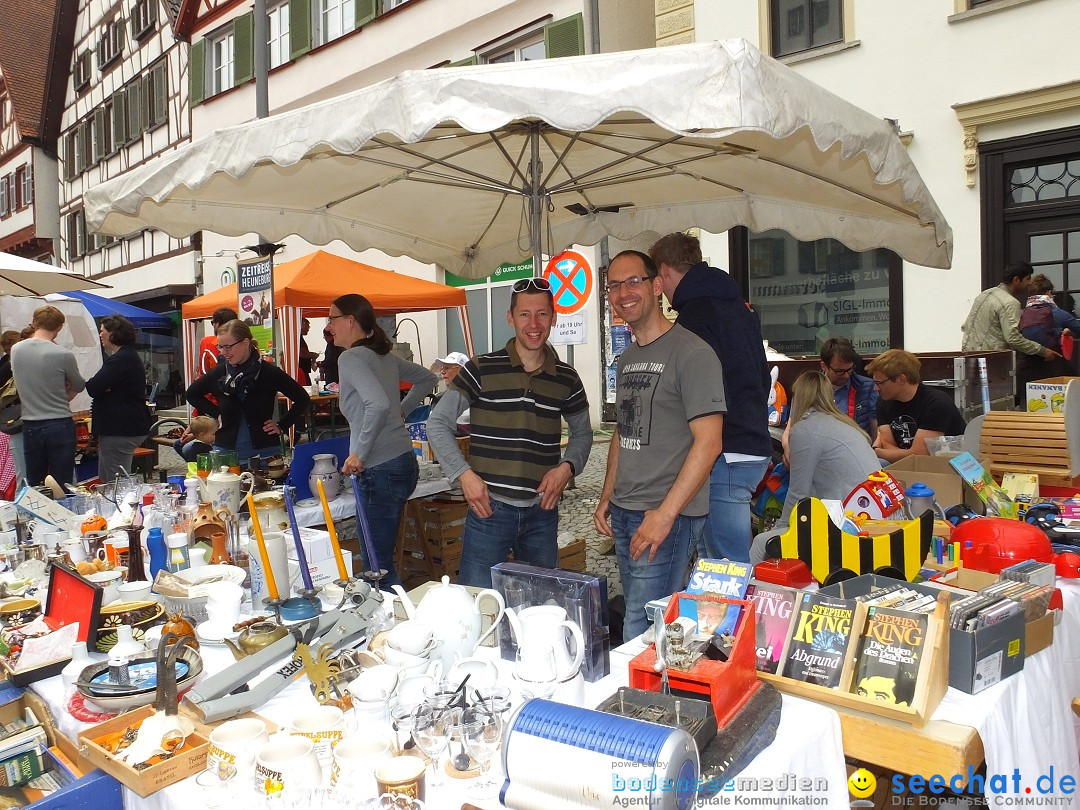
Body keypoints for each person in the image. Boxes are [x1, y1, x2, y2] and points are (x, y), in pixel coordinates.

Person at [593, 251, 725, 640]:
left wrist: (665, 515)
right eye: (614, 286)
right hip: (626, 510)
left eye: (633, 281)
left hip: (665, 514)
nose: (622, 293)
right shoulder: (628, 356)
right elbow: (623, 431)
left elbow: (710, 442)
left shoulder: (693, 353)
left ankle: (642, 701)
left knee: (643, 625)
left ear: (655, 286)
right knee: (642, 617)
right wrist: (606, 496)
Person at [428, 278, 592, 589]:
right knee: (479, 601)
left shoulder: (567, 377)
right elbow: (438, 423)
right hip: (489, 508)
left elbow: (583, 433)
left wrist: (566, 469)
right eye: (525, 314)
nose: (534, 324)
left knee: (542, 604)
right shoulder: (482, 367)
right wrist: (464, 475)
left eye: (542, 314)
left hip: (542, 510)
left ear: (553, 318)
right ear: (510, 318)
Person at [649, 232, 771, 563]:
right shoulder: (738, 306)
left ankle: (743, 616)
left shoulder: (695, 316)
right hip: (752, 443)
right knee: (721, 560)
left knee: (725, 567)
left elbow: (693, 392)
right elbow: (762, 376)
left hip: (725, 450)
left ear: (664, 272)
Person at [326, 294, 437, 589]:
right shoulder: (382, 356)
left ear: (350, 321)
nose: (329, 326)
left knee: (377, 565)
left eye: (332, 319)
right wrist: (403, 408)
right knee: (381, 558)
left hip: (378, 467)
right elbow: (427, 378)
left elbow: (377, 404)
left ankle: (391, 624)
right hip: (401, 461)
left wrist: (359, 454)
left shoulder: (351, 357)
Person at [749, 372, 881, 564]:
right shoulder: (845, 424)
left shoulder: (805, 430)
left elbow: (797, 493)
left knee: (762, 543)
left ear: (798, 398)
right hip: (871, 516)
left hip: (849, 523)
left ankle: (744, 592)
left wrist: (779, 532)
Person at [185, 320, 310, 465]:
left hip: (266, 454)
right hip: (226, 454)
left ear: (245, 343)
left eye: (228, 347)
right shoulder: (220, 373)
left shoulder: (269, 372)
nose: (224, 352)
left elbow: (302, 398)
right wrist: (217, 413)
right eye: (220, 347)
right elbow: (192, 394)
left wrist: (282, 425)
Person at [10, 306, 86, 488]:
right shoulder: (63, 354)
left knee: (35, 482)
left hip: (30, 423)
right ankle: (64, 513)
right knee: (63, 483)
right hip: (59, 422)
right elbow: (80, 384)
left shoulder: (16, 350)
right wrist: (65, 395)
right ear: (60, 327)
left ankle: (37, 515)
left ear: (34, 322)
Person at [84, 315, 153, 485]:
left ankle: (124, 510)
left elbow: (93, 387)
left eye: (102, 331)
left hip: (120, 427)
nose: (100, 335)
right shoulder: (126, 356)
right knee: (108, 477)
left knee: (116, 481)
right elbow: (100, 387)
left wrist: (104, 388)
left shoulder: (121, 359)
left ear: (114, 333)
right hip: (122, 425)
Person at [867, 349, 966, 463]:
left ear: (901, 379)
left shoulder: (937, 403)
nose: (876, 388)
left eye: (880, 383)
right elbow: (887, 443)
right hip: (906, 463)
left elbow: (919, 455)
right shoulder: (884, 401)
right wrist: (891, 452)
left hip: (944, 465)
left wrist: (877, 451)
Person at [961, 262, 1058, 370]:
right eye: (1027, 278)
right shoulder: (1010, 302)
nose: (1029, 283)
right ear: (1016, 279)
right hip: (991, 363)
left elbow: (966, 326)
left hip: (969, 358)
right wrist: (1042, 351)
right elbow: (1013, 338)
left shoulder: (983, 295)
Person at [1016, 274, 1080, 401]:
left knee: (1030, 405)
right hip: (1052, 366)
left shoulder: (1023, 313)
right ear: (1049, 293)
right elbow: (1077, 328)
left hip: (1027, 368)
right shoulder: (1056, 313)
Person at [819, 337, 878, 438]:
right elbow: (794, 423)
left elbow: (876, 430)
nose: (846, 376)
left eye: (850, 369)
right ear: (824, 366)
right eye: (839, 371)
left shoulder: (868, 388)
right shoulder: (808, 389)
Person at [431, 351, 471, 434]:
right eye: (442, 368)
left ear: (462, 370)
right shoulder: (438, 398)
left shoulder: (475, 397)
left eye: (447, 368)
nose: (442, 372)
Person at [198, 307, 239, 377]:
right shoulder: (244, 343)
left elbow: (203, 373)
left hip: (214, 384)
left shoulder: (207, 343)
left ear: (217, 324)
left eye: (212, 322)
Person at [298, 318, 318, 384]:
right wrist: (313, 355)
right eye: (306, 325)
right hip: (301, 371)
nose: (308, 328)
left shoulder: (300, 337)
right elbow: (302, 353)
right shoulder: (298, 338)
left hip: (304, 370)